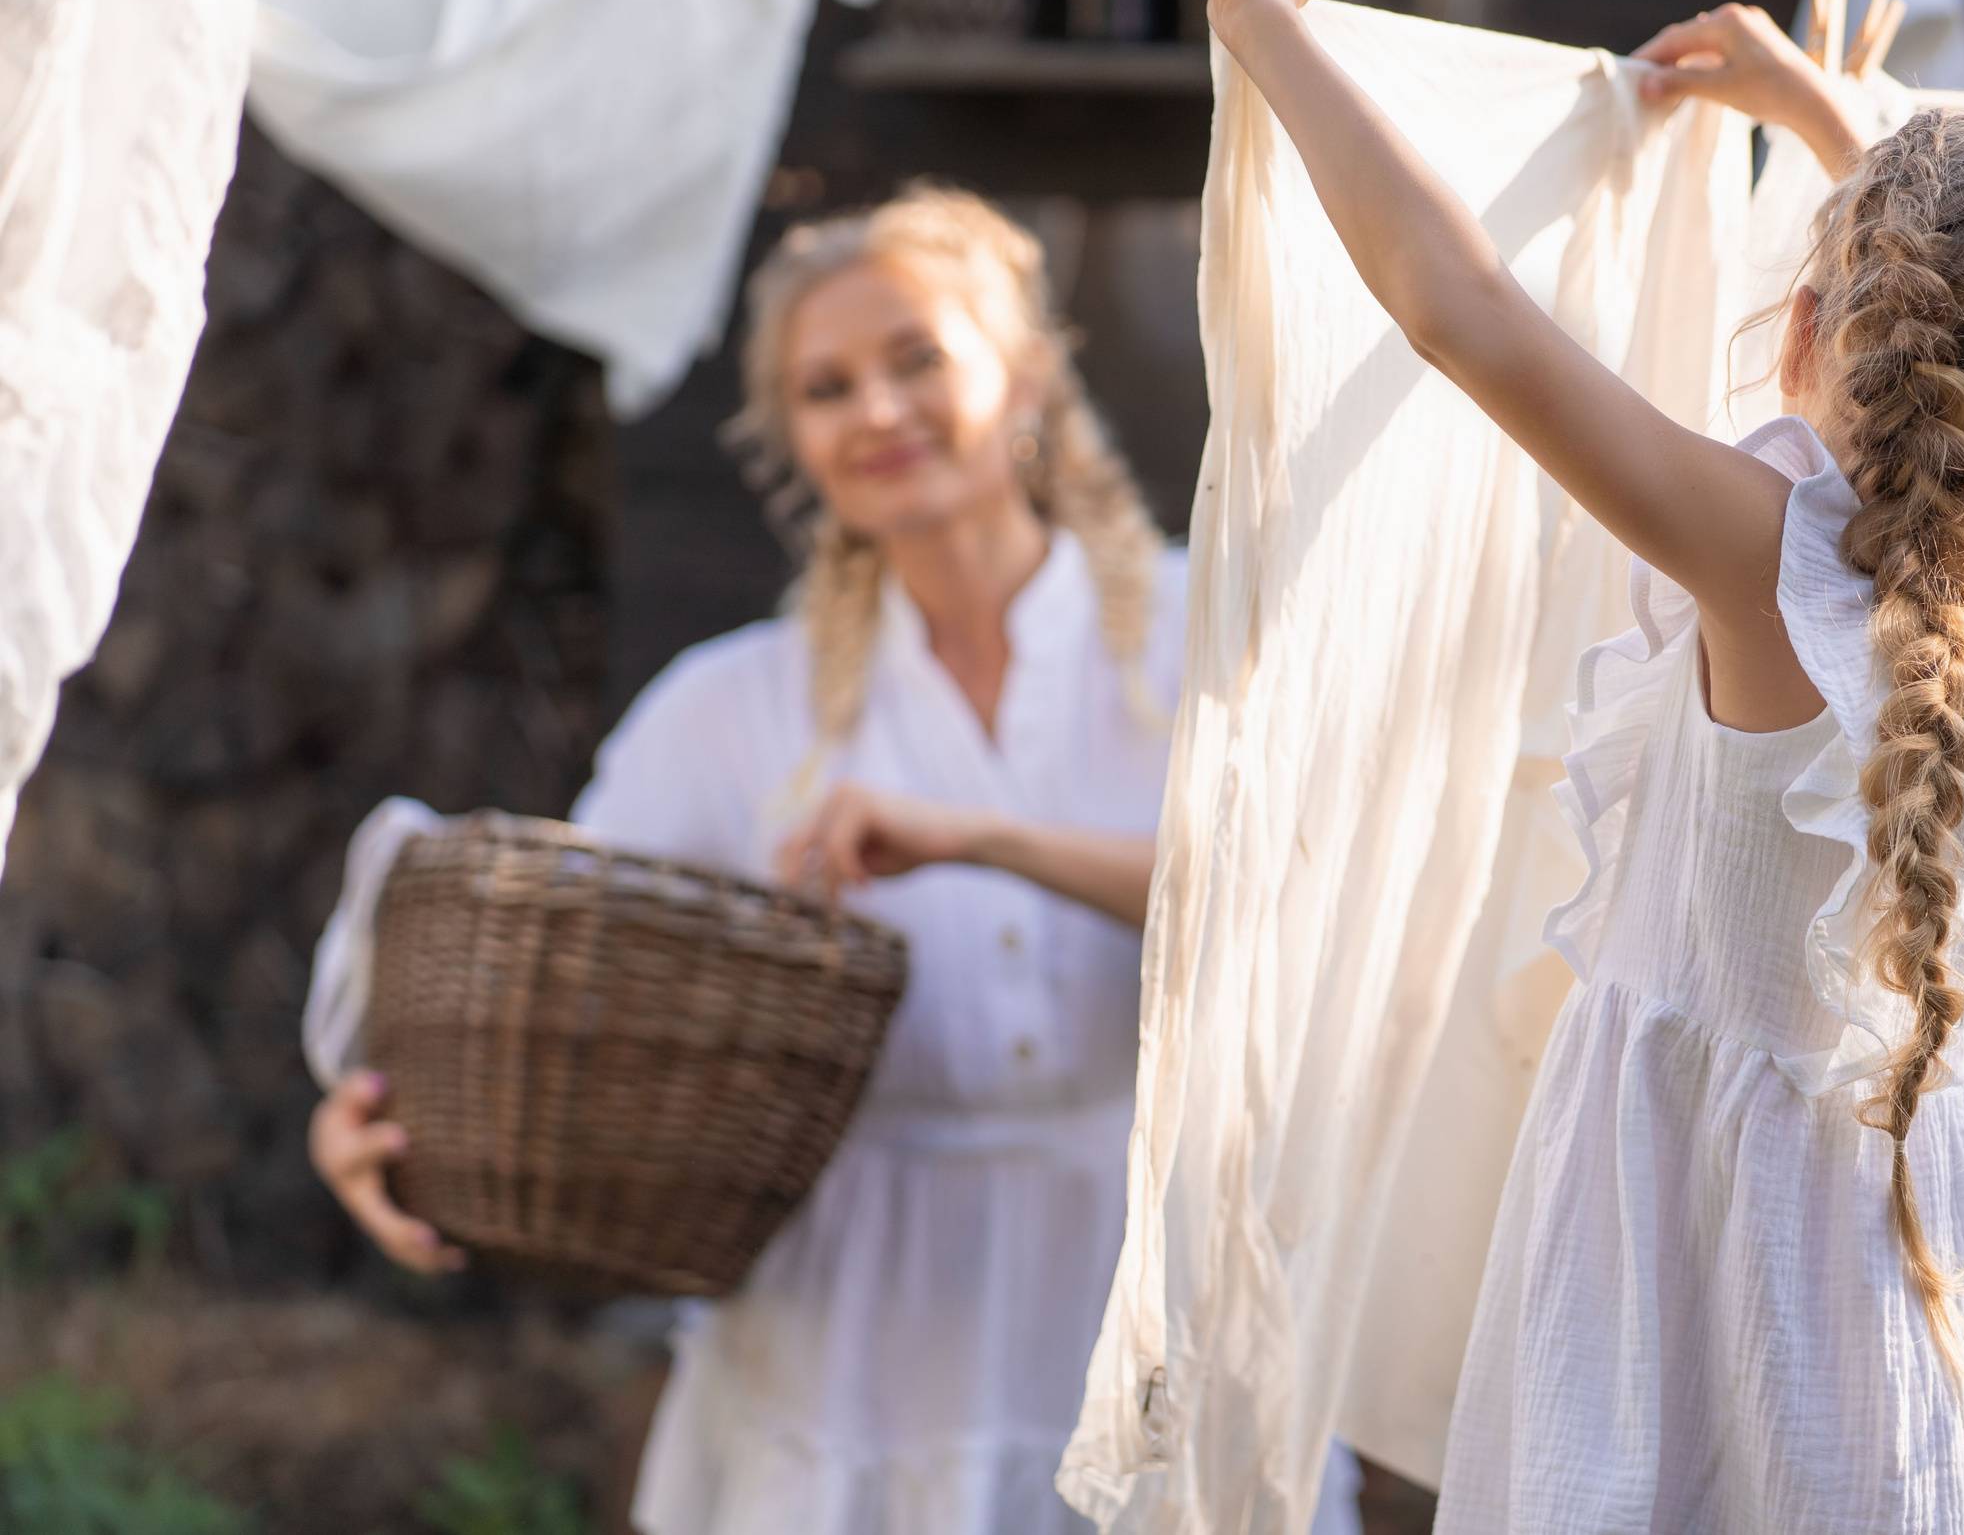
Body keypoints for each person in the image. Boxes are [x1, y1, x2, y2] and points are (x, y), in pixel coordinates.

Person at [1162, 0, 1964, 1532]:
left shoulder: (1765, 558)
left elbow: (1464, 313)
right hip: (1902, 1238)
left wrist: (1272, 23)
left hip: (1686, 1231)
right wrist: (1815, 114)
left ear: (1811, 326)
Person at [308, 184, 1364, 1534]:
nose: (876, 411)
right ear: (789, 441)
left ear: (1029, 370)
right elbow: (551, 981)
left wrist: (986, 841)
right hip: (854, 1319)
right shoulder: (728, 707)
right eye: (825, 388)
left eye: (918, 357)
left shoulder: (1207, 626)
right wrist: (385, 1117)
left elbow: (1314, 896)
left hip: (1158, 1291)